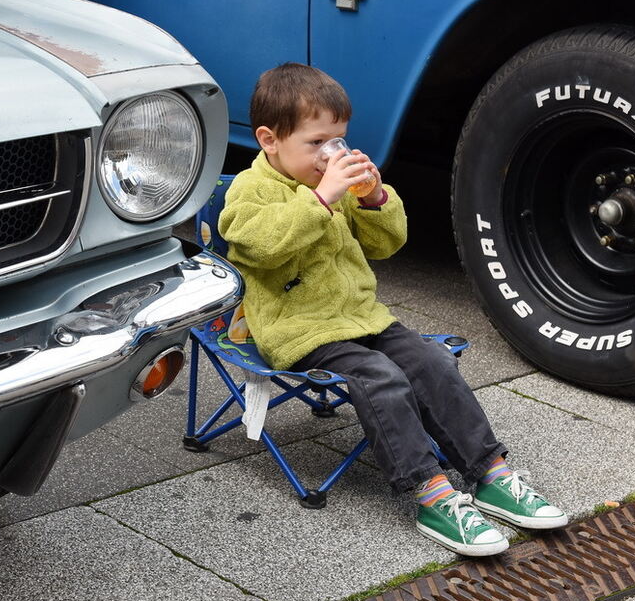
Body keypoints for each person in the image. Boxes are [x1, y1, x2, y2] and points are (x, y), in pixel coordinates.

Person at [218, 63, 568, 557]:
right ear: (269, 140)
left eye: (338, 140)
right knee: (381, 376)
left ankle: (491, 474)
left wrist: (375, 197)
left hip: (362, 317)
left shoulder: (334, 185)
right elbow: (262, 246)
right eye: (316, 142)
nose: (330, 153)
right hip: (299, 329)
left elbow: (387, 244)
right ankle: (432, 493)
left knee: (430, 360)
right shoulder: (249, 192)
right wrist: (322, 198)